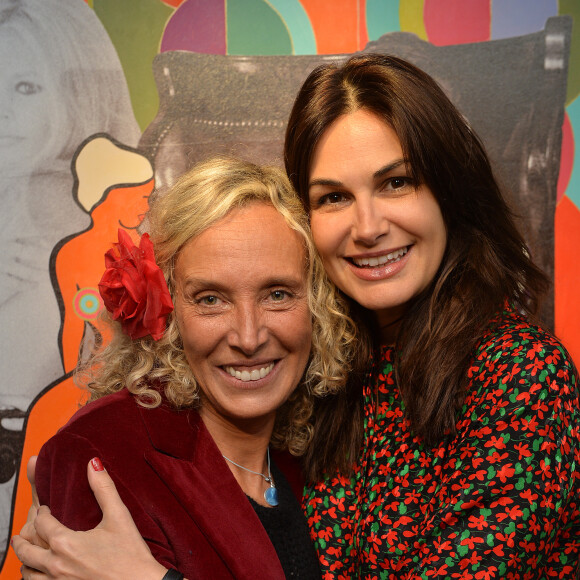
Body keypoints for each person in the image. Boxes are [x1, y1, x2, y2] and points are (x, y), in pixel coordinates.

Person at [13, 54, 580, 578]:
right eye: (333, 196)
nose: (367, 227)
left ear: (449, 193)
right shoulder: (329, 387)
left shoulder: (522, 374)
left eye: (397, 182)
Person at [16, 156, 357, 579]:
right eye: (211, 299)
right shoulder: (100, 453)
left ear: (318, 307)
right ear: (169, 309)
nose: (248, 337)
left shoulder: (314, 458)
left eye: (277, 294)